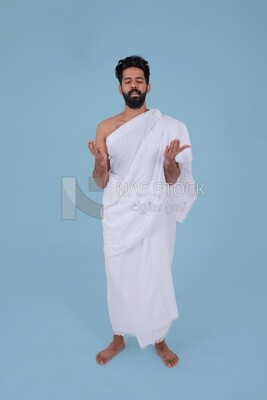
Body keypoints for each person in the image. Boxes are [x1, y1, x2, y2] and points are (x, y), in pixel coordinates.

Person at [88, 55, 196, 368]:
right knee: (118, 273)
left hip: (154, 212)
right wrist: (99, 162)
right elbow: (100, 181)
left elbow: (173, 180)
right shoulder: (106, 127)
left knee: (155, 270)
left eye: (139, 80)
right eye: (127, 81)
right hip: (120, 212)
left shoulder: (169, 128)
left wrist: (168, 163)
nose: (133, 86)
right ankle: (118, 336)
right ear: (120, 88)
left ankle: (159, 339)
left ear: (148, 85)